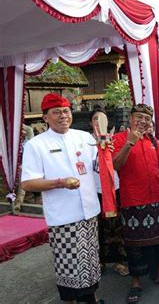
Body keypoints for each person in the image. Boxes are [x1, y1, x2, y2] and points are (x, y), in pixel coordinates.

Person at [21, 93, 102, 304]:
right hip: (64, 216)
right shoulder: (36, 145)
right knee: (69, 266)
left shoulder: (84, 137)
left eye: (66, 111)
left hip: (89, 211)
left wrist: (107, 152)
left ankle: (92, 299)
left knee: (90, 262)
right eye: (56, 112)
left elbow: (98, 167)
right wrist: (59, 182)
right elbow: (28, 183)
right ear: (45, 117)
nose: (63, 116)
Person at [113, 104, 159, 303]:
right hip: (133, 200)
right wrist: (129, 144)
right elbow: (116, 165)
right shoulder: (119, 139)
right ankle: (136, 282)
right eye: (139, 117)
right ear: (131, 119)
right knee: (135, 245)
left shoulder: (153, 140)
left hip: (157, 198)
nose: (143, 121)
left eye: (146, 118)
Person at [89, 109, 129, 277]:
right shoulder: (85, 141)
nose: (99, 123)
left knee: (117, 226)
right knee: (99, 227)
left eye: (102, 119)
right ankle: (101, 260)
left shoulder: (115, 139)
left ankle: (119, 261)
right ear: (91, 123)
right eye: (95, 119)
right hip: (95, 191)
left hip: (115, 189)